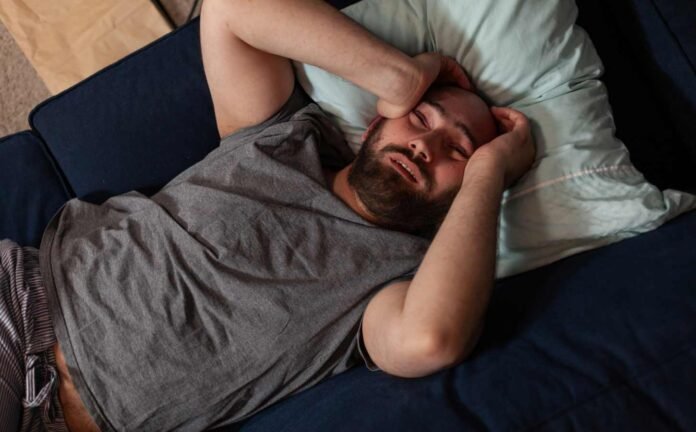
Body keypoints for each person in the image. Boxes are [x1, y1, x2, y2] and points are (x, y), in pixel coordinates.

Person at [0, 0, 535, 431]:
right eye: (421, 119)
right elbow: (233, 9)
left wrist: (490, 171)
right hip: (25, 306)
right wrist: (402, 80)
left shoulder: (393, 283)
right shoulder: (278, 137)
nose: (425, 146)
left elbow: (431, 340)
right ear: (376, 124)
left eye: (457, 152)